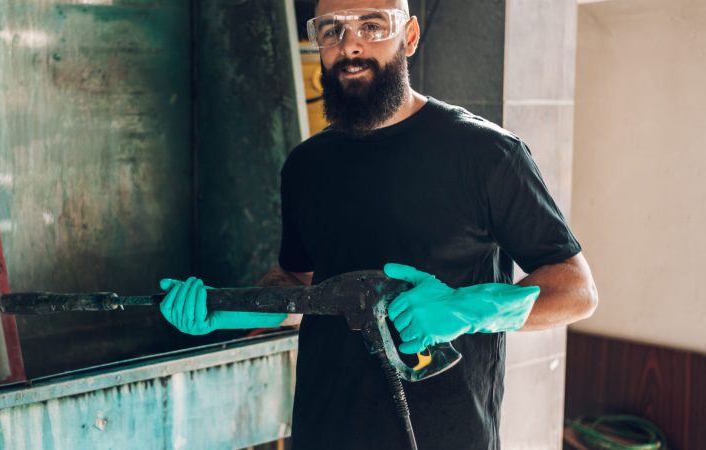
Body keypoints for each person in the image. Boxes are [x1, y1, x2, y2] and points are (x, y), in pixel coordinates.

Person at [158, 0, 599, 448]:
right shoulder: (306, 166)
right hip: (322, 431)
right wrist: (222, 311)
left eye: (372, 25)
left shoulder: (486, 154)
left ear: (408, 36)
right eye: (332, 30)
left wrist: (468, 309)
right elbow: (300, 287)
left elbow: (577, 290)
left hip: (441, 437)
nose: (350, 45)